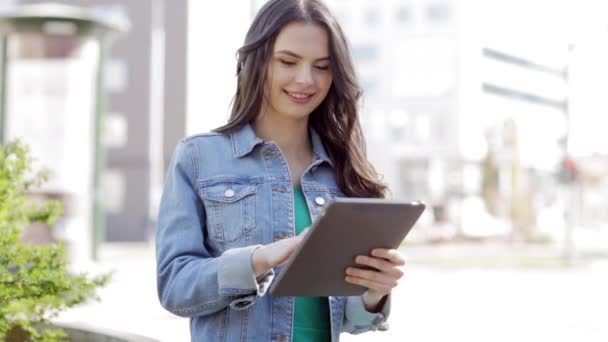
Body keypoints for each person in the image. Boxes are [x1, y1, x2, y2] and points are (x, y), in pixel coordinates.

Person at [156, 0, 406, 341]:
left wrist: (374, 292)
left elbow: (352, 319)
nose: (305, 80)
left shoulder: (343, 170)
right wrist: (259, 259)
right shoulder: (199, 158)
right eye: (288, 62)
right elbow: (175, 286)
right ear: (257, 62)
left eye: (322, 66)